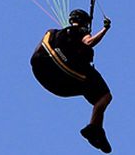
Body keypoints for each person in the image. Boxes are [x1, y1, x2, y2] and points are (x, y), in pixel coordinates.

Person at [30, 9, 114, 152]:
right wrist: (105, 29)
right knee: (105, 96)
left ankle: (96, 130)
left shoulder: (55, 33)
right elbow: (89, 42)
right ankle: (94, 129)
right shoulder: (81, 32)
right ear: (84, 24)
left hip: (42, 69)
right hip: (65, 75)